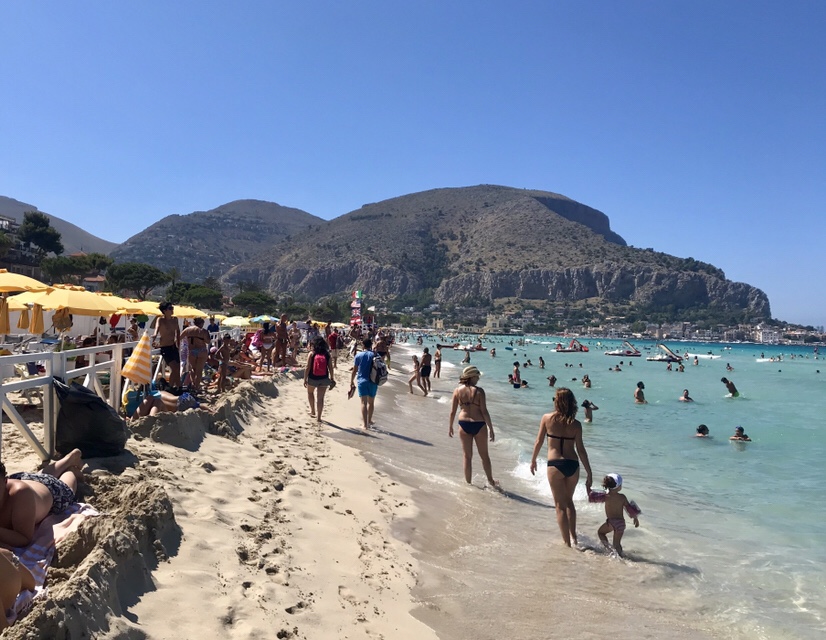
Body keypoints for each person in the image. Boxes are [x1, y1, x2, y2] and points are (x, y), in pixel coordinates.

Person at [529, 388, 593, 547]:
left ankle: (567, 544)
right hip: (573, 465)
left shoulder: (547, 418)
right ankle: (574, 538)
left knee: (560, 506)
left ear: (557, 401)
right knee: (569, 502)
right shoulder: (576, 424)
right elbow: (581, 450)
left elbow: (538, 441)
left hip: (555, 464)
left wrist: (533, 460)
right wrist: (589, 472)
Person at [0, 450, 83, 549]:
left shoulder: (19, 496)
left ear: (5, 481)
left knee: (66, 490)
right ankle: (67, 460)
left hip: (52, 491)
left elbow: (24, 538)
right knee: (40, 475)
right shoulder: (4, 484)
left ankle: (70, 469)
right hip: (24, 479)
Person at [448, 366, 498, 488]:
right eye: (477, 376)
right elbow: (484, 411)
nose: (478, 379)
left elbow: (453, 411)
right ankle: (491, 481)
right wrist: (491, 428)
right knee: (484, 455)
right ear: (472, 377)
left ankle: (468, 484)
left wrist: (450, 426)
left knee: (467, 456)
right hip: (479, 424)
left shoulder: (457, 391)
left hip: (463, 424)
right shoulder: (480, 391)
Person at [594, 474, 640, 557]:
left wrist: (588, 487)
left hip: (611, 522)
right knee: (617, 543)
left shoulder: (605, 496)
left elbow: (592, 497)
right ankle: (620, 556)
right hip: (621, 523)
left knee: (601, 533)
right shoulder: (622, 497)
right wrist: (635, 518)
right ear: (618, 487)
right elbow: (630, 509)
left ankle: (609, 550)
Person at [350, 338, 379, 430]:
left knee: (363, 403)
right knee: (371, 402)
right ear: (370, 345)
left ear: (363, 345)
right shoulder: (375, 354)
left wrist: (351, 381)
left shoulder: (358, 355)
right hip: (373, 381)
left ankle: (365, 425)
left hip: (362, 380)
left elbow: (355, 370)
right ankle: (369, 420)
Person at [304, 336, 335, 423]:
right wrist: (332, 378)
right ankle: (319, 418)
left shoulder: (312, 354)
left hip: (312, 378)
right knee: (320, 398)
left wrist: (305, 379)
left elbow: (307, 367)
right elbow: (331, 367)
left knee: (310, 393)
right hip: (324, 378)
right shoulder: (327, 354)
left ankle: (312, 411)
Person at [153, 302, 181, 390]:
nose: (172, 310)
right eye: (170, 308)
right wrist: (154, 336)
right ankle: (170, 388)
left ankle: (178, 387)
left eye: (172, 308)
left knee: (177, 369)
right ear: (165, 311)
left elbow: (178, 331)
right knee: (174, 368)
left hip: (173, 346)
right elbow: (156, 329)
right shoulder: (160, 320)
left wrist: (178, 343)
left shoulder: (175, 319)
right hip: (165, 347)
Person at [180, 317, 210, 392]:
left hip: (192, 351)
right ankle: (197, 387)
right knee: (199, 371)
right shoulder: (203, 331)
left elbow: (179, 338)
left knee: (193, 369)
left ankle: (193, 385)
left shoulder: (187, 330)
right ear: (201, 323)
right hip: (202, 350)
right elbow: (208, 341)